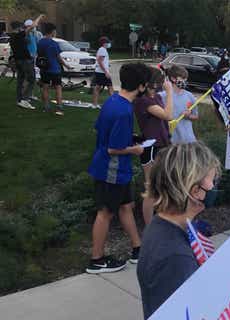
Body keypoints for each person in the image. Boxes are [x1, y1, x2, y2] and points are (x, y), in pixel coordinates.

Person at [136, 142, 224, 319]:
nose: (214, 185)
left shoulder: (164, 224)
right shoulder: (175, 258)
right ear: (195, 191)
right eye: (212, 180)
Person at [86, 63, 149, 274]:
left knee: (126, 206)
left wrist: (129, 139)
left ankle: (138, 249)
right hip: (111, 170)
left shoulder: (112, 101)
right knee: (105, 213)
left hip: (118, 170)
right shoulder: (124, 111)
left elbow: (102, 131)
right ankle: (96, 259)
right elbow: (114, 148)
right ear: (141, 86)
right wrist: (135, 149)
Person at [134, 67, 174, 225]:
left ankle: (161, 219)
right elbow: (168, 115)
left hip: (163, 143)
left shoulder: (156, 96)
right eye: (160, 81)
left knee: (162, 184)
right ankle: (149, 225)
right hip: (151, 147)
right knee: (150, 188)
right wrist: (170, 92)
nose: (162, 84)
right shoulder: (143, 101)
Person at [11, 15, 44, 110]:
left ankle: (19, 100)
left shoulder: (12, 36)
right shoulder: (19, 35)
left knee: (20, 80)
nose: (23, 28)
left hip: (18, 61)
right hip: (25, 60)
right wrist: (39, 17)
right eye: (21, 27)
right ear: (18, 28)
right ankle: (25, 99)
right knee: (31, 80)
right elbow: (33, 26)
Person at [38, 22, 70, 116]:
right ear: (52, 31)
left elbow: (39, 53)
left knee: (45, 87)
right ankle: (59, 106)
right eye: (55, 31)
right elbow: (58, 57)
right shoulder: (54, 43)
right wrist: (66, 65)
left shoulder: (40, 42)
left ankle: (46, 106)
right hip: (54, 69)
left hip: (44, 68)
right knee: (58, 88)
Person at [162, 65, 197, 144]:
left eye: (186, 79)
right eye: (183, 78)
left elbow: (195, 116)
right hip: (171, 141)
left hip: (189, 139)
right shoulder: (163, 96)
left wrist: (189, 116)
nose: (185, 81)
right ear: (173, 79)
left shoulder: (190, 96)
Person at [92, 36, 114, 108]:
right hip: (102, 72)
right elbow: (100, 61)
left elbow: (101, 61)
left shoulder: (102, 50)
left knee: (99, 87)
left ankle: (95, 104)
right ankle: (114, 105)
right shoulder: (103, 50)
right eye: (108, 42)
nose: (109, 44)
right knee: (109, 87)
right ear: (104, 43)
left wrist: (107, 64)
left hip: (100, 72)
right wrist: (106, 72)